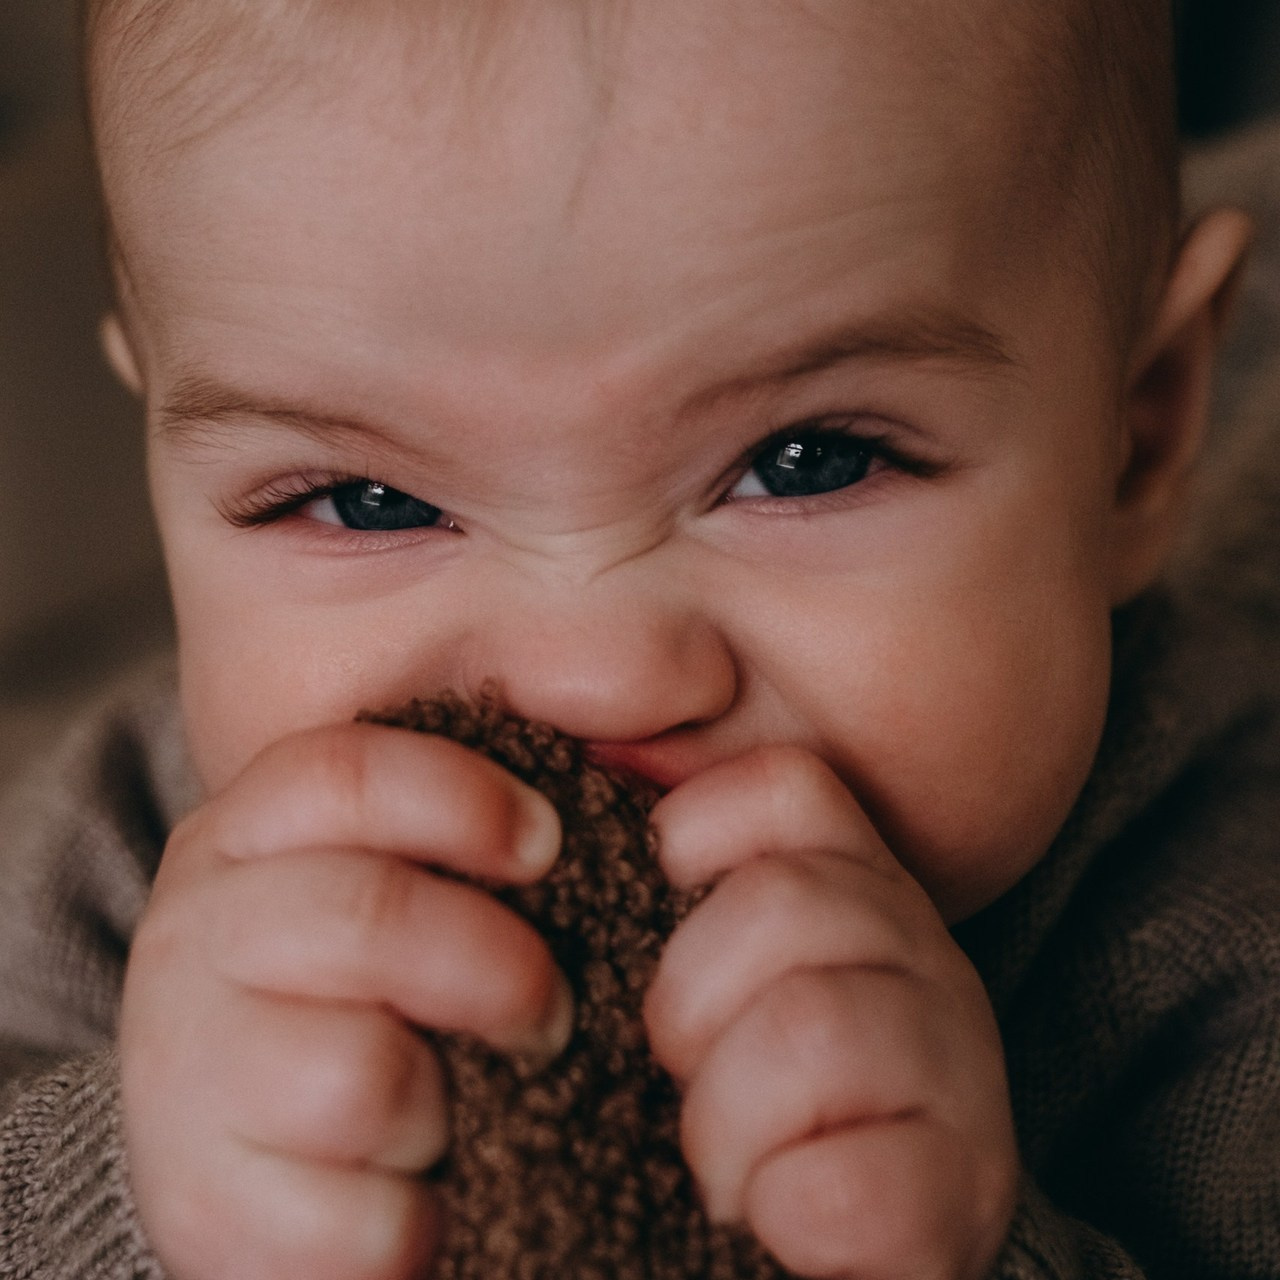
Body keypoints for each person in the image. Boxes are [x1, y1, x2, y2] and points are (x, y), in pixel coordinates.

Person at [1, 0, 1276, 1276]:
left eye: (802, 461)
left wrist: (968, 1252)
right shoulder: (115, 849)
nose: (586, 680)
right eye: (365, 500)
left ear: (1137, 435)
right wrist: (131, 1183)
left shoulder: (1226, 920)